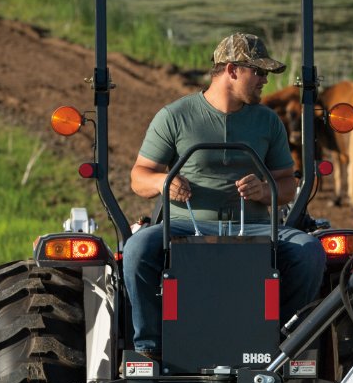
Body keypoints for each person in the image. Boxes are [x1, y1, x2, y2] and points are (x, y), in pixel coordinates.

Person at [122, 33, 326, 359]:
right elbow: (138, 177)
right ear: (231, 70)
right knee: (136, 249)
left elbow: (287, 184)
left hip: (256, 227)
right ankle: (150, 349)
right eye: (258, 72)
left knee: (309, 251)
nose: (264, 80)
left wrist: (266, 190)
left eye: (265, 74)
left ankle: (282, 343)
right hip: (187, 226)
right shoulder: (175, 116)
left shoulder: (267, 122)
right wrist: (164, 182)